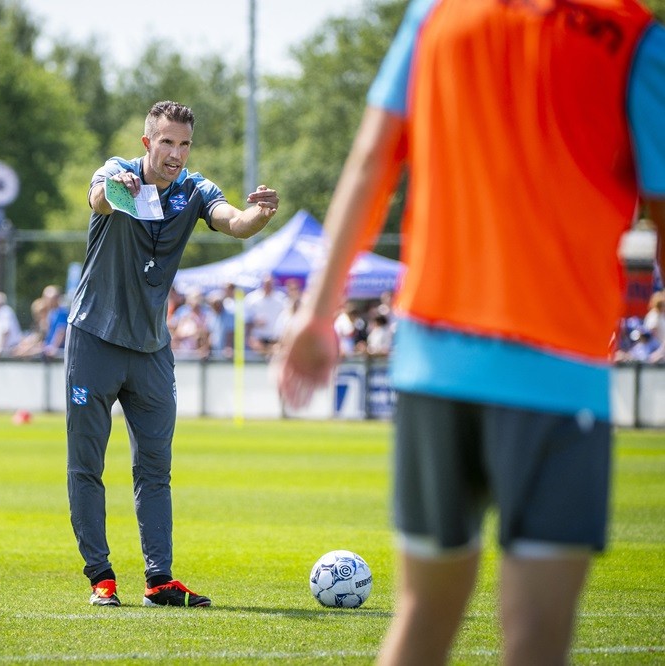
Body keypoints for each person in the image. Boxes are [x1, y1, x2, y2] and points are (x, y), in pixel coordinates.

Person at [275, 1, 665, 664]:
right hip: (558, 372)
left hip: (435, 365)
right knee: (536, 641)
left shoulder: (437, 12)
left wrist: (316, 311)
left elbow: (372, 160)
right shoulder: (635, 39)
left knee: (423, 618)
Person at [66, 100, 279, 607]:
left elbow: (233, 222)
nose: (176, 154)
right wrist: (120, 189)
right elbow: (97, 199)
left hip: (152, 351)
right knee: (86, 465)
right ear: (147, 142)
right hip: (93, 340)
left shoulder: (194, 189)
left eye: (184, 144)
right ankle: (101, 575)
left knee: (155, 470)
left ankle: (159, 579)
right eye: (166, 142)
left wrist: (258, 215)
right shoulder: (118, 175)